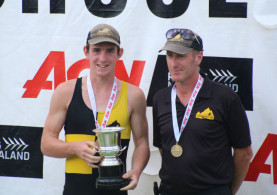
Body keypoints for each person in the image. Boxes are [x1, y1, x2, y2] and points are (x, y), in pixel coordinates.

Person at [41, 23, 150, 195]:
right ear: (86, 51)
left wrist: (136, 171)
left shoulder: (134, 95)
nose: (103, 58)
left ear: (119, 53)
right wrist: (75, 148)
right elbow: (46, 144)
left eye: (109, 51)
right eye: (97, 50)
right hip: (75, 190)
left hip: (116, 189)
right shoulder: (66, 91)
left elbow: (142, 142)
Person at [152, 28, 253, 195]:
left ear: (198, 57)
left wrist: (227, 191)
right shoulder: (160, 98)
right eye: (170, 55)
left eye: (181, 56)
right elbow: (164, 147)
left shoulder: (224, 97)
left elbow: (244, 153)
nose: (173, 63)